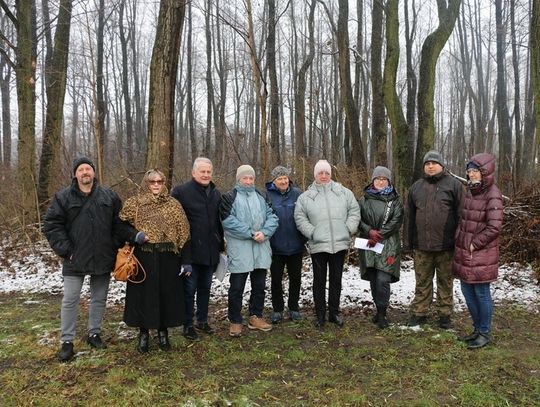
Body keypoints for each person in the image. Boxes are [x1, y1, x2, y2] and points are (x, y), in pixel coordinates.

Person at [43, 157, 141, 362]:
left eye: (88, 169)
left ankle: (94, 333)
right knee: (70, 299)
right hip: (74, 258)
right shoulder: (63, 197)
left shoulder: (109, 196)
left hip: (102, 257)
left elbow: (120, 224)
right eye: (81, 169)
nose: (85, 172)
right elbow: (52, 225)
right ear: (75, 174)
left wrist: (116, 244)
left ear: (94, 173)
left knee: (99, 298)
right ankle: (67, 341)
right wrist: (67, 250)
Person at [119, 169, 190, 353]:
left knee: (165, 294)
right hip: (143, 256)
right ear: (146, 183)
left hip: (168, 257)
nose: (156, 185)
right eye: (152, 182)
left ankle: (162, 332)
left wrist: (186, 261)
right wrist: (136, 235)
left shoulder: (173, 204)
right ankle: (143, 333)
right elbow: (120, 225)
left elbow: (184, 233)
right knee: (143, 295)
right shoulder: (134, 204)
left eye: (160, 181)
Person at [294, 159, 360, 328]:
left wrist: (348, 229)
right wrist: (313, 232)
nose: (323, 176)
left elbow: (354, 211)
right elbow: (300, 218)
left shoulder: (343, 193)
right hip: (318, 245)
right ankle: (320, 315)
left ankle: (334, 313)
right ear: (315, 175)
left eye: (326, 173)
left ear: (330, 174)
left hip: (339, 244)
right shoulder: (306, 197)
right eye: (320, 173)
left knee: (336, 280)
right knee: (319, 281)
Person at [404, 150, 464, 329]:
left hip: (447, 246)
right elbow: (409, 217)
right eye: (427, 163)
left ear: (442, 165)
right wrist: (407, 243)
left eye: (434, 163)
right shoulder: (416, 187)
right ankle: (419, 313)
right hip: (421, 246)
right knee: (422, 282)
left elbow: (463, 215)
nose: (430, 166)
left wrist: (459, 241)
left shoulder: (454, 185)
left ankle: (444, 315)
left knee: (445, 282)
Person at [219, 165, 279, 337]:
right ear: (239, 179)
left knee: (259, 286)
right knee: (237, 287)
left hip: (261, 248)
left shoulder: (261, 195)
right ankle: (235, 320)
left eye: (250, 178)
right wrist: (251, 233)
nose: (248, 181)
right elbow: (228, 221)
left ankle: (256, 316)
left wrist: (265, 232)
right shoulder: (229, 197)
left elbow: (273, 217)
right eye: (244, 178)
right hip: (240, 250)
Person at [453, 153, 503, 349]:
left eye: (475, 171)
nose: (471, 174)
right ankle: (477, 328)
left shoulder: (493, 194)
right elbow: (463, 221)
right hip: (466, 252)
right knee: (467, 289)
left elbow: (494, 227)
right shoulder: (470, 192)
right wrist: (460, 239)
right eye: (469, 171)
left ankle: (485, 332)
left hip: (481, 253)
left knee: (481, 292)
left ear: (485, 172)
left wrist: (475, 244)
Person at [171, 157, 224, 341]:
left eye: (208, 171)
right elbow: (175, 224)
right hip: (190, 253)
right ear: (194, 172)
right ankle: (187, 324)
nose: (206, 174)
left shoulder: (215, 193)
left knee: (205, 288)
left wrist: (221, 244)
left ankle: (202, 320)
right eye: (202, 171)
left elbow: (219, 222)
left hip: (210, 251)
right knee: (189, 290)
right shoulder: (181, 192)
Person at [357, 166, 404, 329]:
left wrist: (380, 234)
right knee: (374, 278)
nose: (380, 181)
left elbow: (397, 219)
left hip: (388, 244)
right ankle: (378, 310)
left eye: (384, 179)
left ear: (389, 181)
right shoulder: (363, 200)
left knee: (383, 279)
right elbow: (357, 219)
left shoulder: (395, 200)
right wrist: (369, 231)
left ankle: (383, 313)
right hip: (369, 243)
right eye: (378, 178)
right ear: (373, 180)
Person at [265, 165, 307, 324]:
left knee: (295, 279)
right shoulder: (267, 196)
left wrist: (304, 238)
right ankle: (277, 309)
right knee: (276, 280)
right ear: (274, 181)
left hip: (296, 245)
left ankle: (294, 307)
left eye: (285, 178)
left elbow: (306, 215)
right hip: (275, 246)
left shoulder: (298, 194)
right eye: (279, 178)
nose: (283, 181)